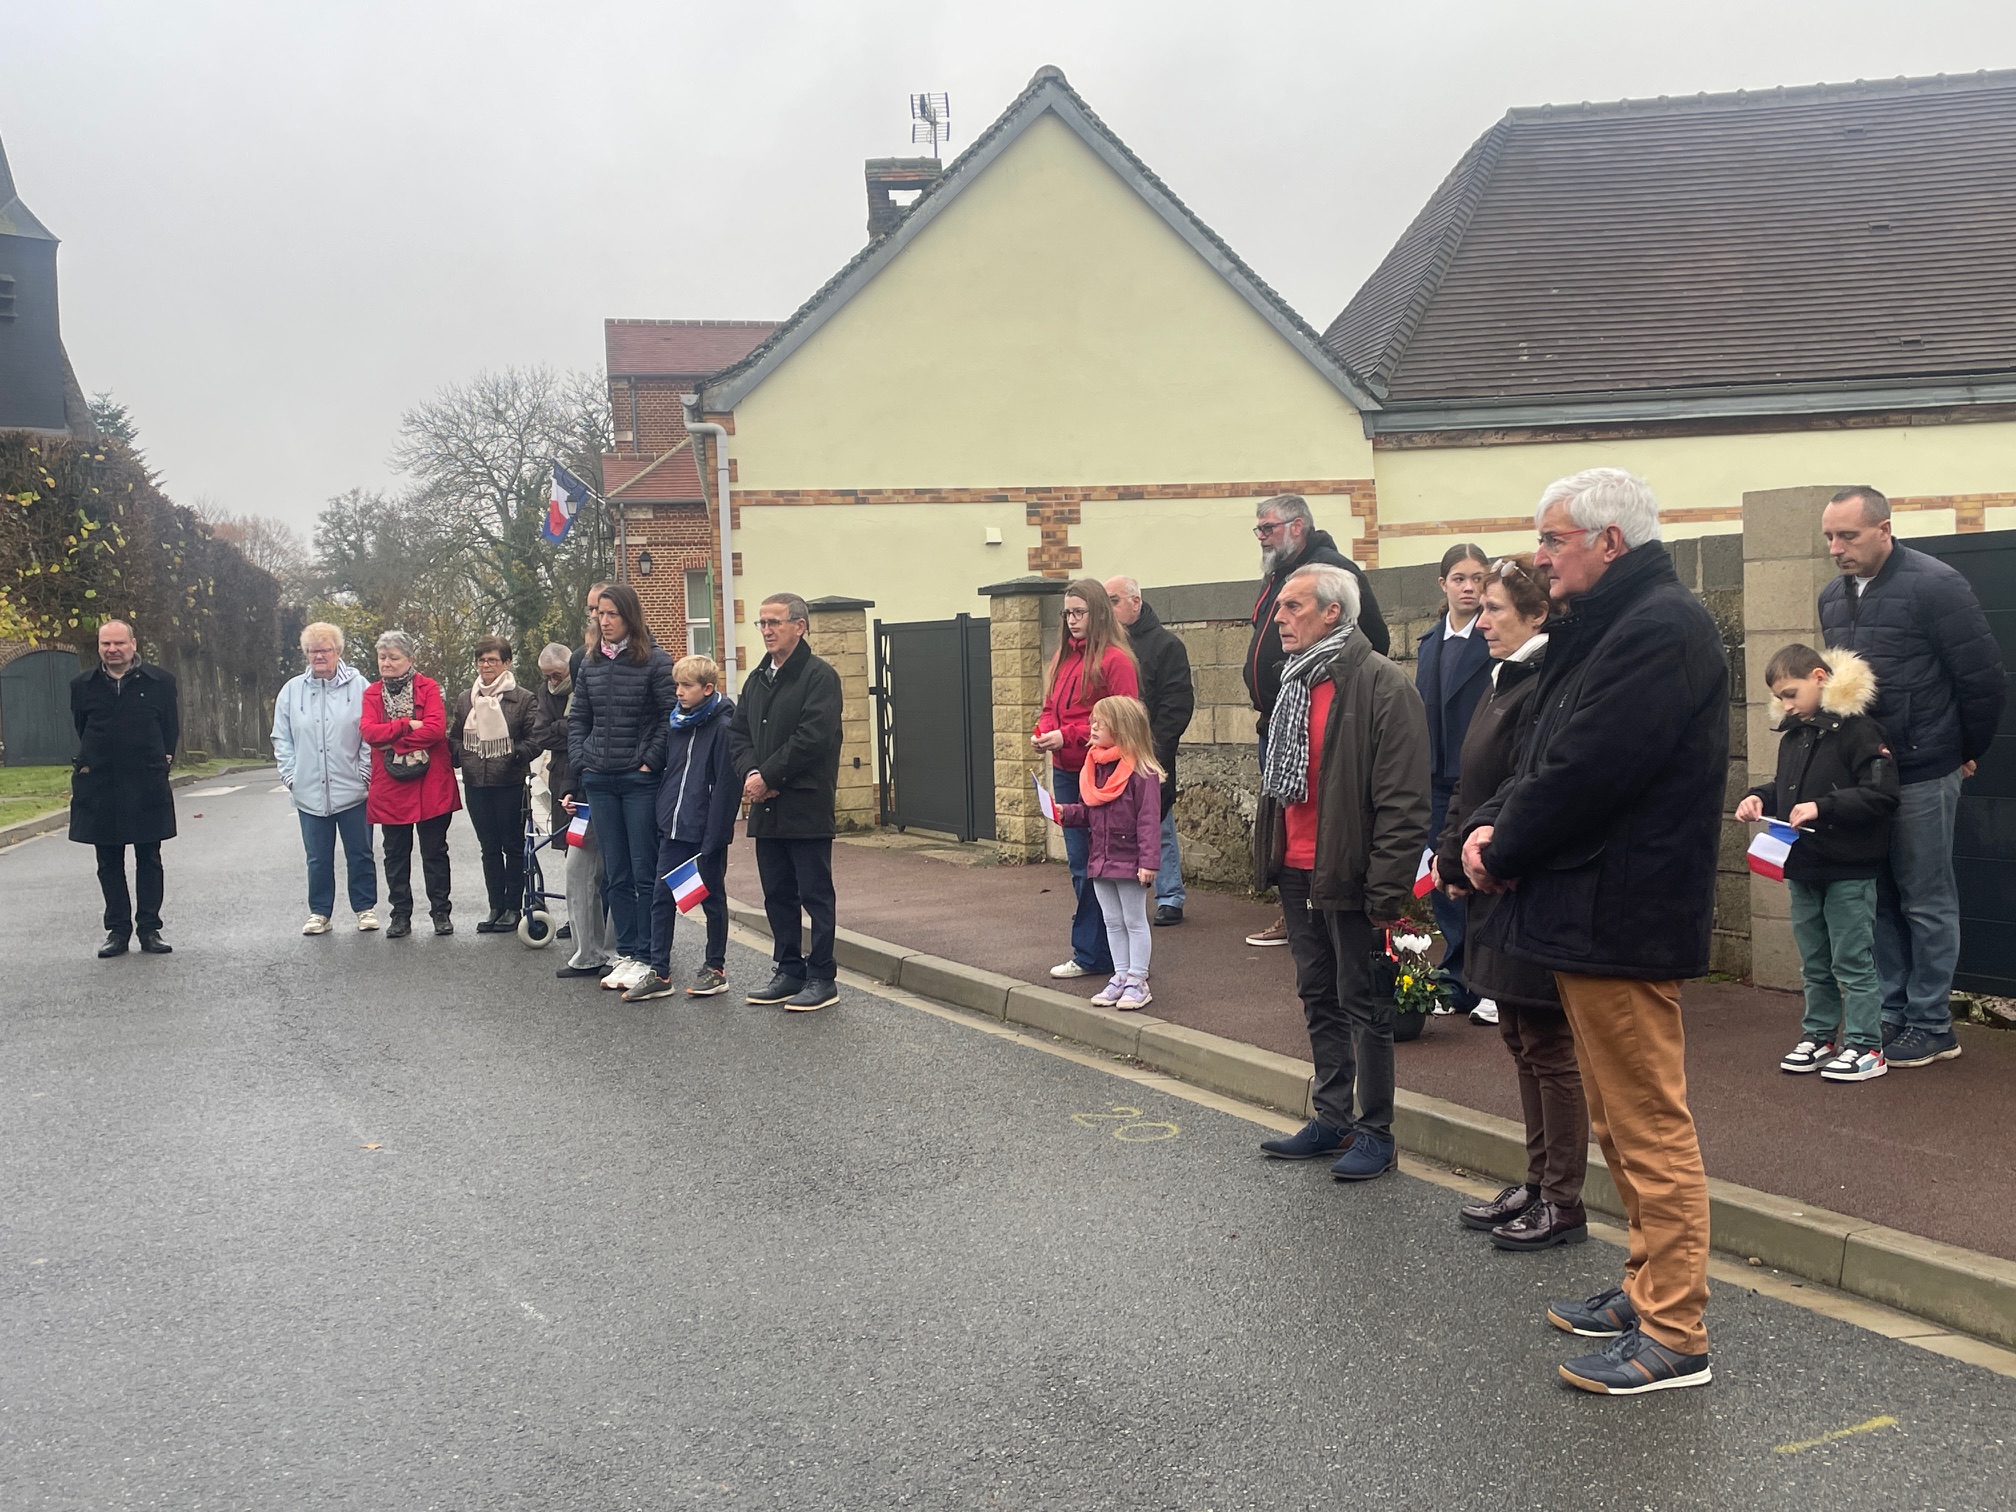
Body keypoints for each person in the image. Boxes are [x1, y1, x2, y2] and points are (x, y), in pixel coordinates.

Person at [1460, 468, 1724, 1395]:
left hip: (1625, 911)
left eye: (1553, 538)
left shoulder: (1659, 628)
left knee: (1648, 1123)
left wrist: (1501, 845)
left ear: (1610, 542)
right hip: (1592, 906)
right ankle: (1647, 1286)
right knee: (1616, 1118)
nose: (1539, 557)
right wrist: (1486, 827)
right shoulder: (1608, 624)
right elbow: (1540, 756)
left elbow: (1587, 769)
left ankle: (1675, 1331)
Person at [1818, 485, 2008, 1069]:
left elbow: (1982, 679)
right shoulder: (1831, 597)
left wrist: (1961, 751)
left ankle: (1932, 1024)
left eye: (1847, 535)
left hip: (1925, 769)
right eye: (1829, 537)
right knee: (1877, 897)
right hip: (1865, 776)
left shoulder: (1936, 584)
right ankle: (1893, 1012)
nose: (1836, 548)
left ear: (1884, 529)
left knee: (1926, 899)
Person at [1253, 562, 1430, 1183]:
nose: (1279, 618)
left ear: (1333, 613)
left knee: (1366, 1003)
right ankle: (1333, 1120)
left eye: (1293, 607)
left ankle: (1376, 1132)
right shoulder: (1293, 681)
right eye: (1280, 606)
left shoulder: (1383, 684)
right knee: (1318, 995)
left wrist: (1386, 890)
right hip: (1297, 870)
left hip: (1352, 874)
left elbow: (1405, 801)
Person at [1435, 557, 1590, 1251]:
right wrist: (1450, 854)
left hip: (1523, 883)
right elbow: (1467, 782)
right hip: (1486, 879)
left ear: (1536, 615)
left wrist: (1481, 856)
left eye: (1495, 609)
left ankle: (1563, 1200)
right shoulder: (1503, 678)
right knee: (1519, 1036)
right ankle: (1535, 1182)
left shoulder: (1543, 683)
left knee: (1548, 1045)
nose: (1481, 621)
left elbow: (1526, 787)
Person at [1737, 645, 1899, 1082]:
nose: (1786, 705)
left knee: (1851, 960)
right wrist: (1759, 797)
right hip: (1804, 865)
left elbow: (1882, 793)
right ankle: (1821, 1036)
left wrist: (1822, 807)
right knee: (1814, 961)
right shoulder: (1795, 734)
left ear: (1819, 677)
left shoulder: (1860, 729)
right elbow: (1787, 789)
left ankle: (1867, 1046)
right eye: (1780, 698)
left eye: (1790, 694)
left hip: (1849, 867)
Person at [1242, 494, 1389, 946]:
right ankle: (1295, 911)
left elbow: (1373, 638)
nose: (1261, 537)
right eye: (1259, 529)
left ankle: (1317, 915)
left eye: (1268, 527)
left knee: (1321, 824)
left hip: (1320, 714)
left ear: (1297, 526)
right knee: (1288, 825)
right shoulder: (1279, 575)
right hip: (1281, 720)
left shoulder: (1331, 570)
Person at [731, 593, 846, 1012]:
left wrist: (770, 777)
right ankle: (788, 969)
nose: (766, 630)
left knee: (814, 893)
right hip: (767, 806)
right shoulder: (757, 678)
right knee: (777, 893)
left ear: (800, 625)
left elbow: (813, 738)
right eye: (762, 623)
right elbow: (738, 734)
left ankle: (822, 976)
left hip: (804, 803)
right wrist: (752, 775)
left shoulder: (819, 677)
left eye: (774, 622)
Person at [569, 583, 677, 990]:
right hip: (599, 779)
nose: (604, 620)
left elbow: (669, 717)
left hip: (638, 781)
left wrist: (649, 760)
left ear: (630, 616)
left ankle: (649, 954)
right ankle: (627, 953)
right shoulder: (590, 662)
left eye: (612, 613)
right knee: (615, 874)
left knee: (644, 871)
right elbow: (579, 717)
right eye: (600, 614)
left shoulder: (656, 662)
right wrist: (582, 761)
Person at [1035, 579, 1140, 981]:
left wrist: (1068, 736)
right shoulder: (1063, 657)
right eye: (1067, 613)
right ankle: (1100, 952)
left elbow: (1125, 719)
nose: (1072, 620)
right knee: (1082, 864)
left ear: (1097, 613)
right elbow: (1050, 706)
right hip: (1067, 770)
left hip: (1103, 773)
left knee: (1101, 866)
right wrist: (1045, 731)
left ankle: (1098, 953)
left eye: (1079, 612)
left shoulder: (1116, 661)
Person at [624, 654, 738, 1004]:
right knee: (662, 897)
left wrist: (715, 836)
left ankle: (715, 968)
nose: (679, 692)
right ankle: (659, 971)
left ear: (708, 688)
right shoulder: (676, 722)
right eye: (677, 685)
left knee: (711, 898)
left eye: (687, 686)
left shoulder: (723, 726)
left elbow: (726, 787)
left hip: (704, 831)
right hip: (672, 826)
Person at [1415, 543, 1495, 1024]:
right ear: (1442, 584)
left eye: (1478, 578)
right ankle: (1457, 978)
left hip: (1477, 779)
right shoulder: (1429, 643)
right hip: (1434, 779)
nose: (1469, 588)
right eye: (1460, 579)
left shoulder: (1491, 637)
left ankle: (1488, 982)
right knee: (1440, 877)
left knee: (1480, 878)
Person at [69, 618, 179, 958]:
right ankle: (117, 931)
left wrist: (160, 761)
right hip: (100, 783)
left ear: (133, 644)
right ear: (99, 647)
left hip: (145, 781)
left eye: (119, 643)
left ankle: (149, 929)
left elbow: (170, 729)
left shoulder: (160, 682)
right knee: (108, 860)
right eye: (106, 644)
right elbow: (81, 726)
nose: (113, 649)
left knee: (149, 857)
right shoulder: (82, 685)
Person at [1052, 696, 1165, 1010]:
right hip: (1100, 859)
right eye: (1093, 721)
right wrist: (1064, 812)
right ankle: (1120, 975)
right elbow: (1089, 812)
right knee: (1112, 921)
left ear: (1123, 727)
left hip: (1129, 860)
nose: (1093, 727)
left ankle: (1137, 980)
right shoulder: (1094, 768)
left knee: (1134, 921)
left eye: (1101, 722)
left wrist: (1148, 862)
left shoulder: (1142, 772)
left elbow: (1148, 821)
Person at [272, 622, 378, 935]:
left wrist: (364, 773)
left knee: (360, 853)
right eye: (313, 650)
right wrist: (291, 776)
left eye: (325, 650)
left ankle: (365, 908)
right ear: (306, 654)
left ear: (338, 651)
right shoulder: (292, 690)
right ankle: (320, 912)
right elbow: (282, 737)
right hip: (309, 792)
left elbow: (369, 734)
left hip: (353, 790)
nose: (319, 656)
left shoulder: (359, 687)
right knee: (317, 858)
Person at [1105, 576, 1194, 927]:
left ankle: (1170, 896)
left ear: (1135, 602)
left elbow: (1177, 704)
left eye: (1114, 601)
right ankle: (1122, 895)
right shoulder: (1107, 647)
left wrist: (1151, 750)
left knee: (1159, 823)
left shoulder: (1166, 646)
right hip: (1112, 753)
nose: (1108, 609)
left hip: (1150, 752)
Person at [359, 630, 459, 938]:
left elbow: (436, 730)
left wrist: (393, 742)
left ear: (410, 659)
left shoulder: (428, 687)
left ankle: (441, 912)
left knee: (435, 850)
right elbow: (369, 732)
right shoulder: (372, 693)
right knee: (395, 853)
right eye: (382, 657)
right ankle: (400, 915)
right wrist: (405, 724)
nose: (386, 663)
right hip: (390, 786)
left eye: (393, 657)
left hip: (431, 782)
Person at [450, 636, 541, 935]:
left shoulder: (523, 698)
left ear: (506, 663)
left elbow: (535, 738)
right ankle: (495, 906)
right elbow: (455, 736)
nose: (486, 665)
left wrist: (514, 754)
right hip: (476, 782)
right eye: (481, 660)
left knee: (512, 845)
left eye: (492, 660)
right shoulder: (466, 698)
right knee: (488, 847)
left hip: (510, 781)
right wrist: (464, 755)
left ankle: (513, 906)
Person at [535, 640, 615, 980]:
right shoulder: (570, 698)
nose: (553, 681)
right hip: (580, 792)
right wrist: (568, 788)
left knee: (616, 876)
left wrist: (562, 728)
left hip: (616, 791)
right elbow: (564, 742)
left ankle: (619, 952)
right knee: (577, 872)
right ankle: (587, 953)